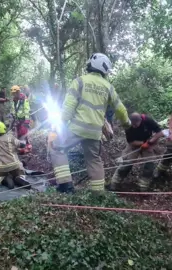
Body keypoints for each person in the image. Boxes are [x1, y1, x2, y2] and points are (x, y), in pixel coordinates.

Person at [50, 53, 131, 193]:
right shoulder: (108, 87)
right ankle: (98, 192)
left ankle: (65, 186)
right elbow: (120, 109)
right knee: (94, 159)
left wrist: (59, 126)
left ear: (91, 65)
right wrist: (127, 124)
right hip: (95, 132)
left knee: (56, 148)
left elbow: (68, 108)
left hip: (77, 128)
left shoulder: (80, 81)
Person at [109, 112, 164, 191]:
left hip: (148, 142)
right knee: (126, 164)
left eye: (136, 124)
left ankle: (143, 186)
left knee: (150, 164)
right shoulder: (127, 126)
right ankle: (114, 184)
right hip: (134, 144)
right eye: (133, 124)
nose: (134, 126)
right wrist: (142, 144)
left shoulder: (147, 120)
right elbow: (131, 142)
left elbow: (160, 133)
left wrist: (150, 142)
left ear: (140, 120)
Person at [0, 121, 30, 189]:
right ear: (4, 129)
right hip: (14, 164)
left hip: (2, 167)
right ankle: (20, 177)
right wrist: (24, 143)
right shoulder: (9, 137)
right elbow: (21, 145)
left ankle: (3, 179)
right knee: (20, 170)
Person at [10, 85, 32, 154]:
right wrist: (13, 115)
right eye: (13, 93)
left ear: (18, 92)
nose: (14, 94)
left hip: (24, 119)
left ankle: (26, 147)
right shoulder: (14, 100)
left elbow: (27, 110)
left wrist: (27, 121)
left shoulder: (24, 99)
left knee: (23, 133)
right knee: (19, 133)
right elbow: (14, 109)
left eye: (15, 93)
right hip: (17, 119)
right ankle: (23, 146)